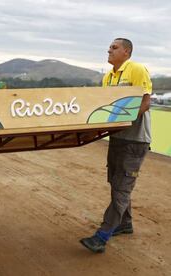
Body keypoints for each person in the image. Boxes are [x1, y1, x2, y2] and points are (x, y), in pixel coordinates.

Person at [80, 38, 152, 253]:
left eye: (114, 47)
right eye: (109, 47)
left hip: (135, 139)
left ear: (126, 52)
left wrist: (123, 121)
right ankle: (125, 223)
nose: (109, 50)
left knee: (122, 186)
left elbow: (146, 102)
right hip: (117, 138)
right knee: (115, 181)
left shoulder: (136, 69)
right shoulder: (107, 77)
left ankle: (102, 235)